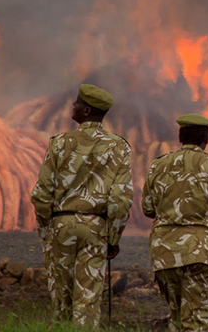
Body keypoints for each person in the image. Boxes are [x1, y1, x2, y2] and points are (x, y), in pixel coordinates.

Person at [31, 84, 133, 329]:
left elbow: (42, 193)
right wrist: (114, 238)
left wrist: (46, 229)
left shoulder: (59, 143)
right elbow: (120, 199)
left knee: (61, 299)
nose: (72, 106)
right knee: (88, 299)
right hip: (96, 227)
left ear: (86, 110)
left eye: (76, 103)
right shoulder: (119, 146)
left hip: (61, 224)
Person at [142, 114, 208, 331]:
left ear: (180, 137)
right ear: (206, 140)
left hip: (167, 255)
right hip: (206, 255)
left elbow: (148, 209)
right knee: (201, 323)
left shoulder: (158, 165)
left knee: (177, 321)